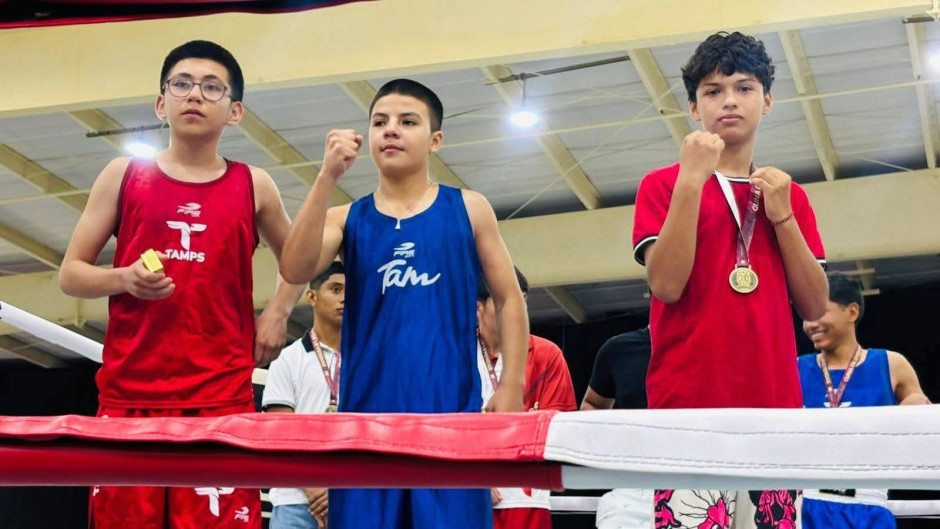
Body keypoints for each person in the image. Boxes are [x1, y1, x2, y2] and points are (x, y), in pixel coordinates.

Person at [59, 40, 303, 529]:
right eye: (182, 84)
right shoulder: (124, 175)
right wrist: (123, 278)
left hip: (220, 394)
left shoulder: (254, 184)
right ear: (161, 102)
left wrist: (278, 311)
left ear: (234, 111)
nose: (194, 95)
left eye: (212, 87)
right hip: (131, 394)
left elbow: (299, 260)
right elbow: (70, 274)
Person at [279, 78, 528, 529]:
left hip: (451, 423)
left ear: (435, 140)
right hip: (365, 428)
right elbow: (295, 269)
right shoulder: (345, 218)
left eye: (407, 121)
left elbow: (509, 297)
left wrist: (513, 383)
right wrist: (326, 176)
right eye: (380, 122)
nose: (391, 129)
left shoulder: (469, 208)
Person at [631, 31, 829, 528]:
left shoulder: (790, 195)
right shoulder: (662, 184)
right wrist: (691, 181)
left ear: (767, 100)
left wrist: (783, 217)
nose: (729, 101)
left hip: (775, 411)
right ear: (694, 108)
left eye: (744, 88)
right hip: (687, 409)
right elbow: (666, 285)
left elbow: (814, 306)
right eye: (713, 91)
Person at [798, 274, 930, 529]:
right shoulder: (794, 370)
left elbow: (920, 440)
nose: (810, 324)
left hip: (869, 505)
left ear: (852, 311)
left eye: (819, 312)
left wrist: (917, 408)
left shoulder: (891, 365)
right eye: (806, 315)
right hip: (807, 506)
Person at [476, 267, 576, 529]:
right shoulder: (457, 354)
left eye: (523, 302)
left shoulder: (547, 355)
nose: (518, 312)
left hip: (526, 498)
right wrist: (474, 478)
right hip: (464, 493)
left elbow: (558, 431)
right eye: (506, 302)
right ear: (478, 308)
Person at [263, 262, 346, 529]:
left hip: (352, 495)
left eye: (351, 292)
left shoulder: (368, 360)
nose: (345, 298)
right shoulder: (287, 358)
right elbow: (279, 435)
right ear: (311, 297)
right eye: (336, 289)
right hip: (295, 501)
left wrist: (337, 490)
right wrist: (316, 490)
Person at [580, 327, 653, 529]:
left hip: (700, 487)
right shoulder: (619, 349)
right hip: (631, 488)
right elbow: (592, 406)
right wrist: (616, 442)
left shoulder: (714, 347)